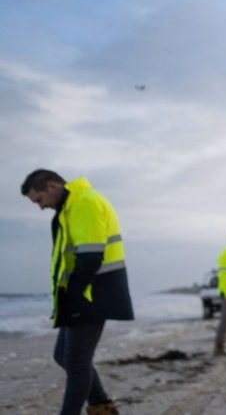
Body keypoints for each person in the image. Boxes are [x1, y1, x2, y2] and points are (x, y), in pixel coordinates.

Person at [21, 169, 133, 415]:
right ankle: (102, 405)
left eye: (38, 200)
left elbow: (91, 255)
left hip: (92, 293)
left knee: (75, 361)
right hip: (85, 292)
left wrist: (74, 297)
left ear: (51, 186)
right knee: (63, 356)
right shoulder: (71, 205)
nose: (40, 207)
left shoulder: (83, 202)